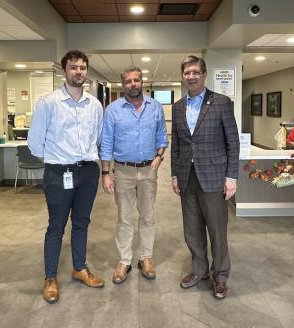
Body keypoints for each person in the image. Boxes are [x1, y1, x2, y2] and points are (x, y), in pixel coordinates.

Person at [28, 50, 104, 304]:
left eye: (82, 67)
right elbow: (35, 143)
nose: (79, 72)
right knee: (56, 226)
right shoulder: (48, 103)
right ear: (64, 71)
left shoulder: (94, 104)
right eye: (73, 67)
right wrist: (57, 160)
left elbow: (99, 138)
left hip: (87, 172)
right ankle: (50, 277)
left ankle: (79, 268)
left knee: (82, 222)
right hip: (59, 172)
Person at [171, 55, 239, 300]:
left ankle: (220, 275)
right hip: (187, 177)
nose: (191, 76)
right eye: (187, 73)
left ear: (204, 74)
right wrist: (174, 175)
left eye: (195, 72)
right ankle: (199, 270)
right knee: (192, 229)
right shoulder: (178, 107)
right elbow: (177, 145)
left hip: (213, 176)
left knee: (217, 229)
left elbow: (233, 142)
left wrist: (231, 176)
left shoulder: (221, 102)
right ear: (183, 76)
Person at [100, 66, 168, 284]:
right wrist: (105, 173)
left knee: (148, 216)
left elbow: (162, 136)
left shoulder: (155, 107)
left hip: (149, 170)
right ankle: (124, 260)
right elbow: (106, 143)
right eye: (128, 81)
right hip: (122, 171)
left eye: (136, 80)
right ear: (123, 84)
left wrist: (159, 157)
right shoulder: (112, 110)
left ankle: (146, 257)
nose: (133, 84)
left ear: (142, 82)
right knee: (124, 218)